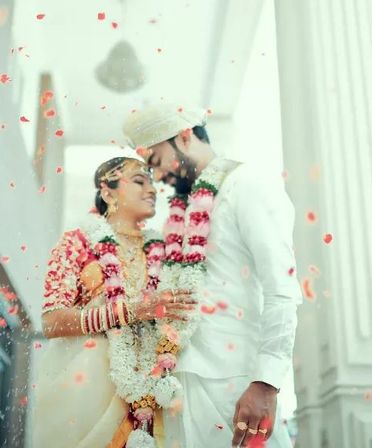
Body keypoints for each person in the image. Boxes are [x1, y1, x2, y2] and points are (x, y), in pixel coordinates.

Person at [123, 104, 303, 448]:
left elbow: (282, 289)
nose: (157, 178)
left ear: (185, 135)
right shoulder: (180, 211)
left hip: (235, 382)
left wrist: (265, 383)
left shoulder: (247, 185)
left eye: (158, 162)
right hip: (179, 386)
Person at [32, 157, 195, 448]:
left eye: (150, 181)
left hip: (160, 384)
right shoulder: (78, 242)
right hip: (91, 387)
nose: (152, 189)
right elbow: (52, 321)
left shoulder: (166, 251)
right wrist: (131, 311)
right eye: (138, 181)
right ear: (107, 192)